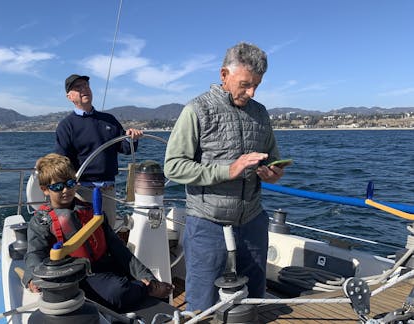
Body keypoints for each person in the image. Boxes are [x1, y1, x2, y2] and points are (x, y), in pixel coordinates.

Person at [163, 42, 285, 312]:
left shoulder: (261, 113)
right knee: (202, 305)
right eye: (245, 84)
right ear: (223, 75)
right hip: (208, 224)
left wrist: (273, 173)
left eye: (256, 85)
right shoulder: (196, 110)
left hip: (252, 221)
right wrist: (227, 170)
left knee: (253, 300)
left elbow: (272, 158)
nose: (251, 92)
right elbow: (173, 167)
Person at [23, 153, 173, 312]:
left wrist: (148, 277)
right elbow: (34, 253)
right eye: (58, 187)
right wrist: (32, 278)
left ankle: (146, 288)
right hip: (78, 276)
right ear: (45, 190)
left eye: (70, 183)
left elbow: (119, 249)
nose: (66, 190)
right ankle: (143, 289)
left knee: (156, 287)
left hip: (105, 265)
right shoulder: (42, 222)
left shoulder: (91, 211)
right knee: (118, 292)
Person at [54, 74, 143, 229]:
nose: (84, 89)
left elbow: (126, 148)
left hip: (108, 190)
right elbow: (62, 162)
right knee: (85, 236)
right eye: (78, 87)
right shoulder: (66, 125)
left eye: (86, 85)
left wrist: (132, 138)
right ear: (69, 96)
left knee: (108, 233)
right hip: (82, 191)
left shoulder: (108, 119)